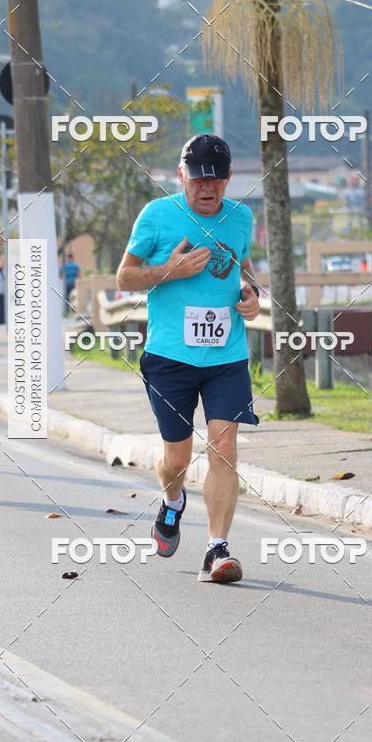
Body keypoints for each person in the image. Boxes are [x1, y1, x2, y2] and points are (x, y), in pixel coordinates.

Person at [117, 134, 260, 584]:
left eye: (216, 178)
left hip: (226, 356)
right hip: (169, 358)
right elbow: (124, 277)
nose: (207, 187)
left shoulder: (242, 218)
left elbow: (243, 266)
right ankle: (173, 501)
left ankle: (217, 550)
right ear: (182, 176)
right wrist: (169, 271)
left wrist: (249, 294)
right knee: (176, 459)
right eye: (198, 178)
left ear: (228, 179)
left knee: (223, 446)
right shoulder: (157, 216)